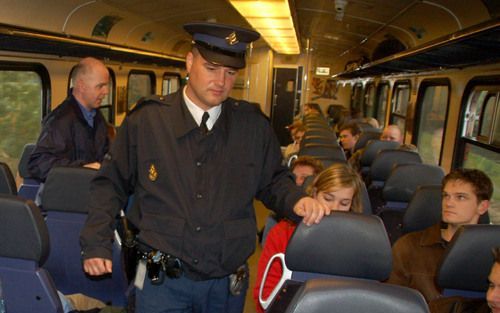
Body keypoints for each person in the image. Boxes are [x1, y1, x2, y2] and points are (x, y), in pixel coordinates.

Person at [80, 22, 329, 313]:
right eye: (211, 68)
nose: (221, 81)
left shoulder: (252, 126)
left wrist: (297, 199)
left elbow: (273, 180)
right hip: (157, 275)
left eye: (230, 72)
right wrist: (96, 242)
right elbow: (110, 183)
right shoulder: (147, 122)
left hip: (224, 283)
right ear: (189, 62)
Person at [253, 163, 364, 313]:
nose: (334, 209)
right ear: (314, 194)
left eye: (344, 203)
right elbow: (265, 296)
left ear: (352, 205)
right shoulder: (283, 233)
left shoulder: (363, 241)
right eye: (328, 198)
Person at [387, 168, 493, 302]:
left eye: (460, 197)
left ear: (482, 206)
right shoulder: (409, 247)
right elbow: (390, 302)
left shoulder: (493, 254)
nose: (449, 203)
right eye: (446, 196)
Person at [28, 57, 110, 183]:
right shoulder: (60, 120)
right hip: (66, 195)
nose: (106, 92)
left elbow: (105, 151)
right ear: (82, 86)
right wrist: (81, 169)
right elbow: (38, 164)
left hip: (91, 188)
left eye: (106, 85)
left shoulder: (96, 116)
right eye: (100, 86)